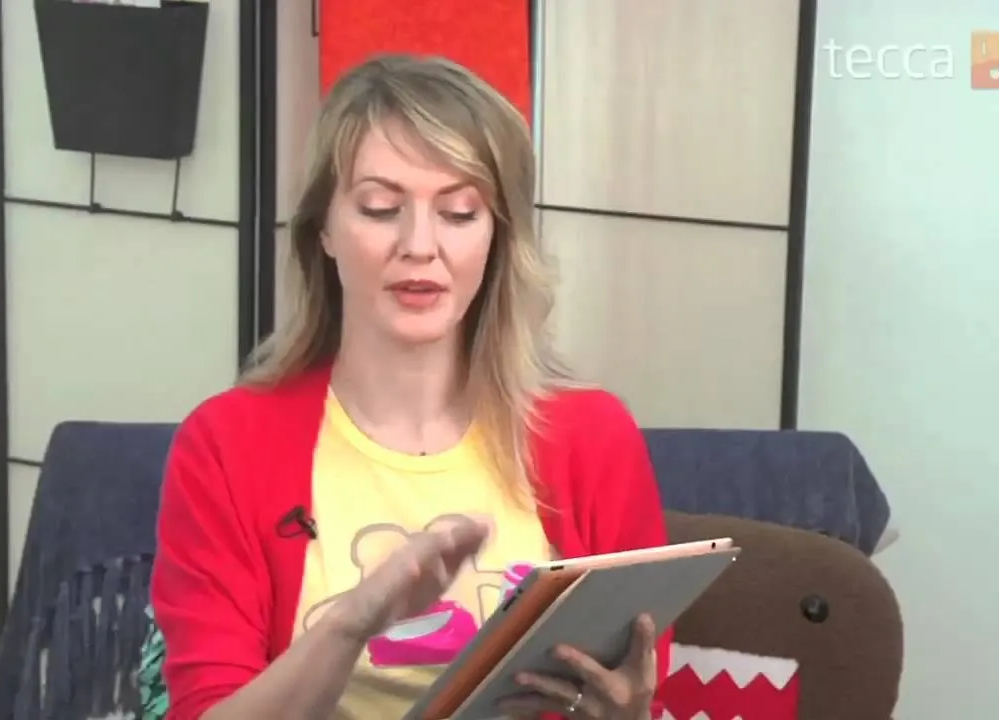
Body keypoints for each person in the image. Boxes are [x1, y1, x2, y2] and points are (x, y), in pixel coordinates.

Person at [146, 54, 671, 720]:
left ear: (498, 240)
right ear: (325, 232)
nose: (419, 245)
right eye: (381, 208)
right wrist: (353, 623)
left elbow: (640, 682)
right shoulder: (227, 443)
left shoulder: (593, 435)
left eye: (458, 214)